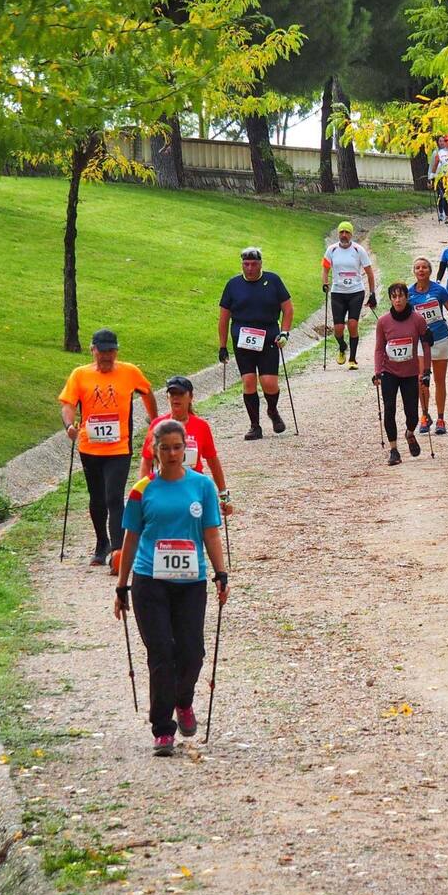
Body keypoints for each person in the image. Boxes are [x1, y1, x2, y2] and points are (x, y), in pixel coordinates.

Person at [114, 419, 229, 757]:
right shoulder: (141, 490)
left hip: (191, 581)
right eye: (165, 448)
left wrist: (221, 573)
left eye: (178, 447)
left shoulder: (203, 487)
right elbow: (131, 537)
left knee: (192, 652)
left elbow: (210, 532)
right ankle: (162, 728)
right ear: (155, 451)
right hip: (150, 580)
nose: (172, 453)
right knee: (162, 652)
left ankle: (184, 700)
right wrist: (122, 586)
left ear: (186, 449)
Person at [58, 328, 158, 566]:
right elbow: (68, 404)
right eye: (102, 352)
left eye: (111, 352)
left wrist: (154, 422)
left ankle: (118, 550)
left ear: (116, 351)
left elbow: (147, 392)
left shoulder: (129, 372)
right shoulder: (80, 375)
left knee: (114, 496)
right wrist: (69, 426)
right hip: (89, 447)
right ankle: (101, 542)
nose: (106, 357)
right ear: (93, 350)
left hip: (118, 448)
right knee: (97, 498)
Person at [218, 247, 294, 440]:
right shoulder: (233, 285)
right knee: (249, 382)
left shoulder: (273, 281)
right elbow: (224, 318)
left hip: (268, 337)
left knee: (269, 382)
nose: (250, 268)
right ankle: (255, 425)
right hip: (243, 339)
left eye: (254, 264)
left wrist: (284, 332)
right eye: (246, 264)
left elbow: (287, 308)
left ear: (261, 264)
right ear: (242, 264)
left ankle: (272, 410)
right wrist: (222, 345)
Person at [138, 377, 232, 519]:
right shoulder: (157, 425)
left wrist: (224, 495)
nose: (176, 398)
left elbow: (212, 460)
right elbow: (146, 461)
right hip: (165, 486)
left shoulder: (201, 426)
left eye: (181, 394)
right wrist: (143, 492)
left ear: (190, 397)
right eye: (172, 394)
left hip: (194, 488)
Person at [372, 283, 432, 465]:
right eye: (394, 297)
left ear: (407, 297)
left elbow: (426, 345)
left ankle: (410, 433)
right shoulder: (383, 321)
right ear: (390, 299)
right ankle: (393, 450)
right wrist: (377, 372)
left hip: (410, 372)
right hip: (390, 372)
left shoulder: (417, 320)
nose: (397, 300)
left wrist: (427, 371)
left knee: (412, 413)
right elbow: (379, 349)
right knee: (389, 410)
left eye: (401, 296)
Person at [410, 256, 448, 435]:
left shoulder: (440, 290)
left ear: (430, 270)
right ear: (414, 272)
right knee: (422, 380)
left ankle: (441, 418)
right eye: (418, 268)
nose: (421, 270)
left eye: (424, 267)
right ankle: (425, 415)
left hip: (440, 339)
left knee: (439, 380)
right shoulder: (409, 293)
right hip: (421, 343)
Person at [321, 221, 376, 368]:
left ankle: (352, 359)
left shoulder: (359, 250)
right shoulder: (331, 250)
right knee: (338, 329)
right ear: (338, 234)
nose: (344, 235)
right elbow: (325, 269)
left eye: (347, 232)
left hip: (356, 292)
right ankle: (342, 346)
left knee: (352, 324)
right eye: (341, 232)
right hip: (338, 292)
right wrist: (325, 283)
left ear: (351, 234)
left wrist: (373, 294)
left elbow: (370, 274)